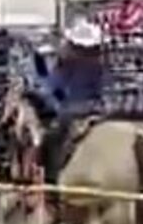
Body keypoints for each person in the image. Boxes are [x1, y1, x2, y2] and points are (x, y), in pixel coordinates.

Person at [39, 19, 106, 182]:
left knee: (50, 139)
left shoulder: (66, 65)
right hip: (98, 112)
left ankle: (51, 179)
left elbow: (52, 88)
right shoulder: (100, 65)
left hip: (72, 111)